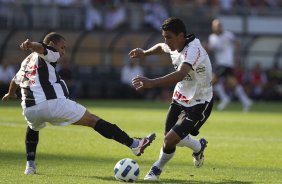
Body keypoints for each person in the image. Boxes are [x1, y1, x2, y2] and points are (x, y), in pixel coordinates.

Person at [1, 32, 156, 175]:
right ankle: (134, 144)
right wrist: (31, 44)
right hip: (52, 103)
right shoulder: (51, 52)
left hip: (29, 109)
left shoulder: (26, 61)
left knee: (33, 127)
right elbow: (41, 47)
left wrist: (10, 93)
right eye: (62, 47)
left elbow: (15, 79)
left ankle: (30, 166)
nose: (63, 52)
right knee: (93, 120)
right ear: (52, 44)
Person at [128, 17, 213, 181]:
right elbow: (162, 47)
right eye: (164, 36)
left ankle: (156, 168)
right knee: (171, 140)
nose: (165, 41)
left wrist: (152, 82)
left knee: (170, 139)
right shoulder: (174, 44)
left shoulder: (193, 49)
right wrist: (145, 52)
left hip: (200, 102)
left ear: (181, 35)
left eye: (169, 37)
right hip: (180, 98)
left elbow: (181, 74)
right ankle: (198, 146)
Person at [207, 19, 252, 112]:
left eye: (219, 25)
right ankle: (246, 101)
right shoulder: (212, 37)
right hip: (220, 63)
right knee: (233, 83)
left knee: (210, 82)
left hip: (226, 62)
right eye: (215, 26)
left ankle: (224, 98)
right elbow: (213, 49)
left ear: (221, 26)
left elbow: (238, 43)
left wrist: (237, 57)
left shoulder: (228, 35)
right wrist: (207, 48)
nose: (217, 27)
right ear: (213, 27)